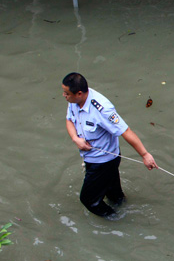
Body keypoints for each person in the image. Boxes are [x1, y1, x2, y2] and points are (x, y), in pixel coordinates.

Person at [62, 73, 158, 217]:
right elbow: (69, 120)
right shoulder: (74, 101)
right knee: (113, 194)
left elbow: (125, 131)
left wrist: (145, 155)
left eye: (66, 93)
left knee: (88, 200)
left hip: (103, 162)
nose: (64, 95)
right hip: (93, 159)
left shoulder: (102, 109)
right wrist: (75, 138)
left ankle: (115, 219)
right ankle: (122, 206)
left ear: (79, 93)